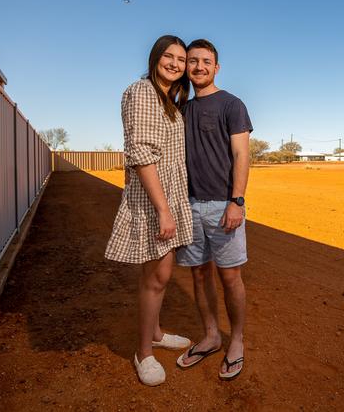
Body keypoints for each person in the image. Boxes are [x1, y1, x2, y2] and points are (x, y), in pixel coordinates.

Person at [105, 35, 194, 387]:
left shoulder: (167, 99)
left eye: (181, 59)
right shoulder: (142, 92)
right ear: (155, 57)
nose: (175, 63)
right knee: (156, 277)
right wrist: (163, 209)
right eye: (168, 56)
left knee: (159, 274)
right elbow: (141, 153)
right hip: (153, 198)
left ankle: (155, 332)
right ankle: (144, 352)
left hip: (166, 195)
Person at [175, 39, 252, 381]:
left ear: (216, 67)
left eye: (206, 61)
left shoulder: (232, 105)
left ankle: (235, 340)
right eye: (193, 61)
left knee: (230, 275)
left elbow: (241, 155)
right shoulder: (183, 110)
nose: (200, 67)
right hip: (189, 206)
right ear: (186, 67)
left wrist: (237, 201)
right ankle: (210, 336)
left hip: (224, 206)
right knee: (199, 274)